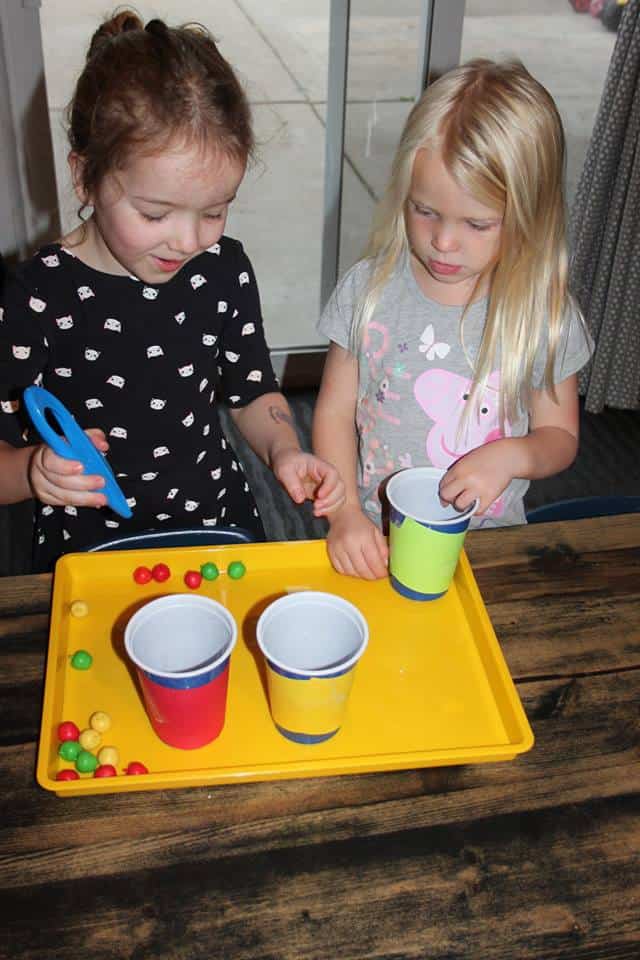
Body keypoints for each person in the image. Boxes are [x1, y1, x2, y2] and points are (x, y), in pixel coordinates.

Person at [0, 11, 343, 572]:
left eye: (214, 211)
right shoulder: (35, 296)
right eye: (155, 213)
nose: (187, 241)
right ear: (85, 177)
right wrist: (30, 472)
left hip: (213, 525)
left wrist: (286, 449)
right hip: (90, 551)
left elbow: (252, 391)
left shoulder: (222, 269)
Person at [313, 59, 593, 580]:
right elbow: (333, 412)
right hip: (375, 536)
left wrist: (512, 456)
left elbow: (560, 436)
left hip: (490, 548)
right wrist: (344, 511)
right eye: (425, 211)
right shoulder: (366, 291)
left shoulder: (541, 314)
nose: (444, 241)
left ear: (530, 215)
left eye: (477, 223)